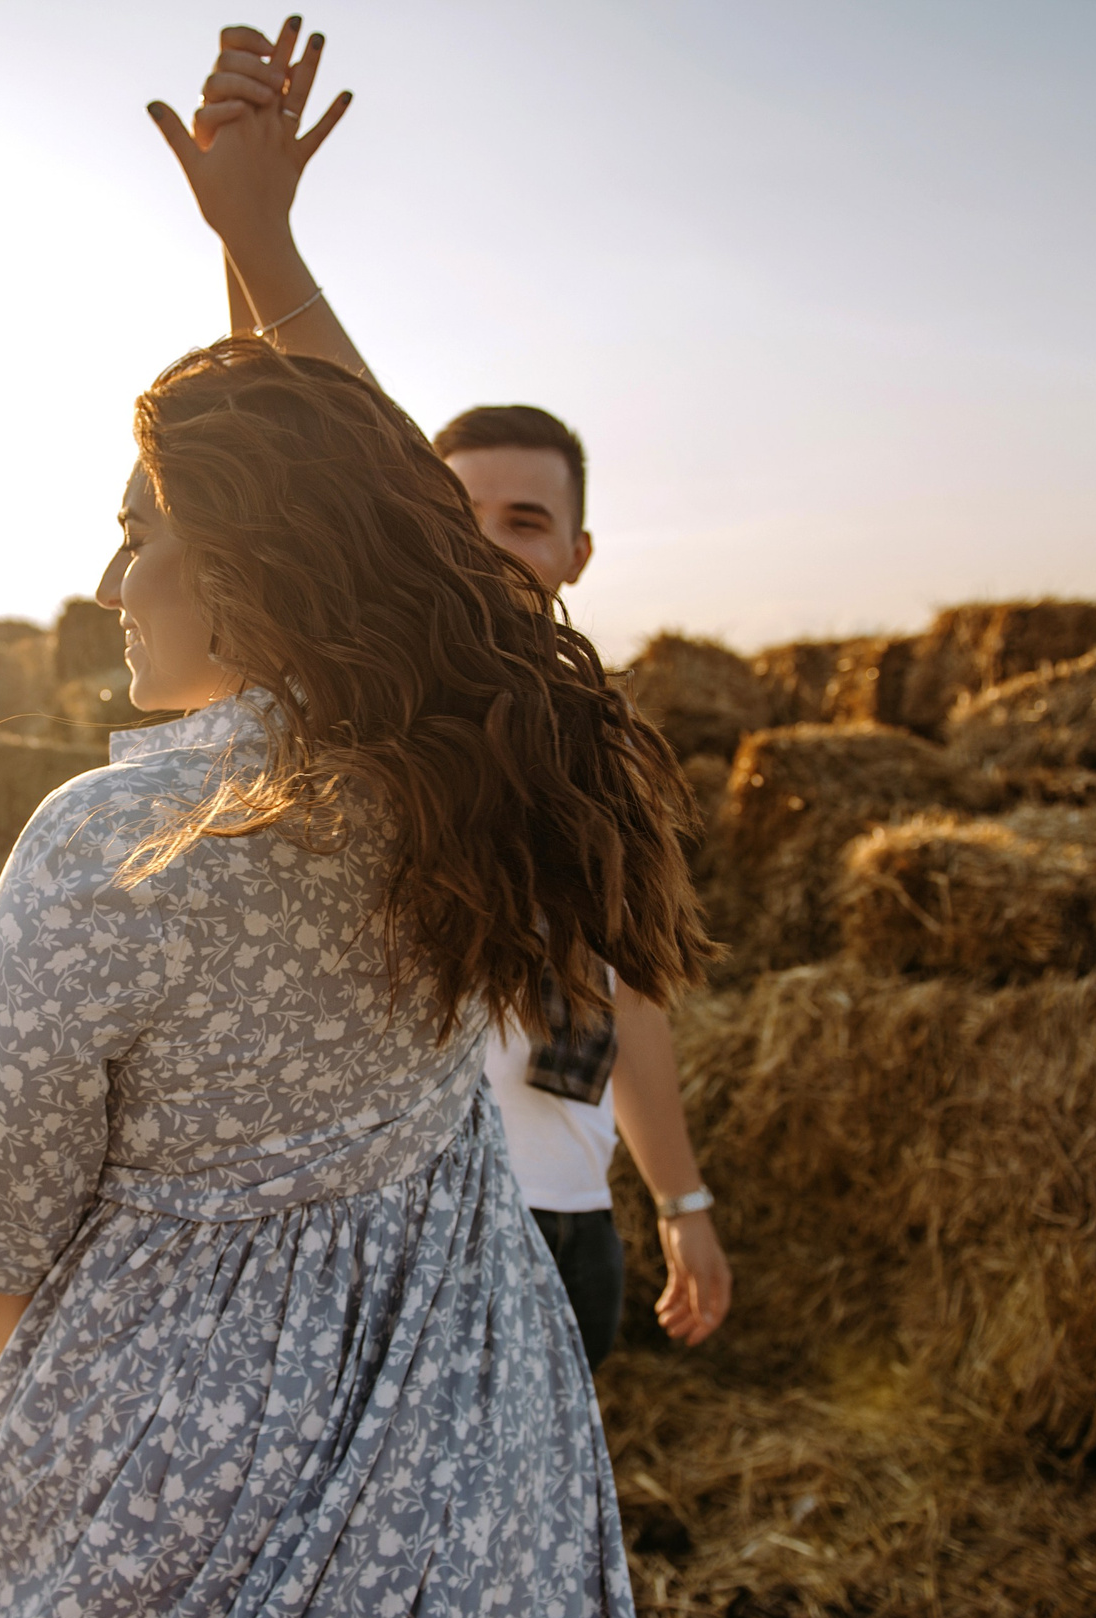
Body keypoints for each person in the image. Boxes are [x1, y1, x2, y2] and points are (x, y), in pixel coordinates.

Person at [0, 105, 713, 1618]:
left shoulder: (111, 841)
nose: (108, 585)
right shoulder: (499, 783)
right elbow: (397, 521)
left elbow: (2, 1241)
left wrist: (133, 1447)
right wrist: (262, 246)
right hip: (476, 1400)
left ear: (251, 567)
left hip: (164, 1439)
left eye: (137, 535)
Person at [165, 18, 731, 1365]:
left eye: (525, 520)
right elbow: (311, 480)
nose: (485, 545)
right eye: (455, 514)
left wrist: (683, 1202)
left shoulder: (589, 745)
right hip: (379, 1209)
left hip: (550, 1227)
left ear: (579, 553)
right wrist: (253, 244)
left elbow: (631, 998)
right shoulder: (380, 709)